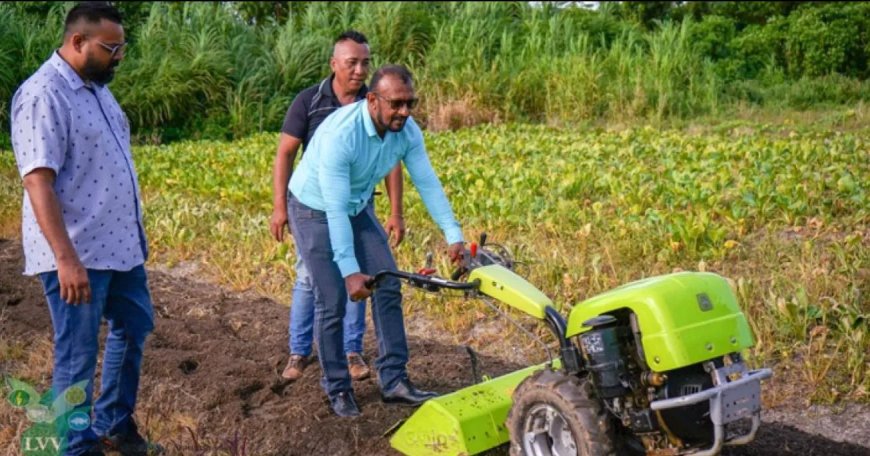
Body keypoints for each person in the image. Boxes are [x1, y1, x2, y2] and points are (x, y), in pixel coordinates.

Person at [9, 2, 160, 455]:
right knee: (77, 353)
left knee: (134, 325)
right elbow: (38, 180)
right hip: (77, 252)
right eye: (111, 48)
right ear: (78, 41)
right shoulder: (43, 94)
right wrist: (65, 259)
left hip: (118, 247)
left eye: (122, 47)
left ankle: (114, 424)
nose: (119, 56)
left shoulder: (96, 89)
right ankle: (74, 446)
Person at [287, 64, 465, 417]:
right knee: (332, 298)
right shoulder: (342, 135)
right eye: (396, 104)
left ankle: (394, 380)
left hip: (356, 204)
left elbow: (427, 182)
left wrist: (453, 235)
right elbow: (335, 208)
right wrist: (350, 270)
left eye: (410, 103)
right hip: (313, 208)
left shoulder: (406, 131)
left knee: (387, 283)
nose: (405, 112)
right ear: (372, 100)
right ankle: (338, 387)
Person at [270, 31, 406, 383]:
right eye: (352, 63)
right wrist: (280, 207)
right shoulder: (309, 101)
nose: (360, 70)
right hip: (315, 207)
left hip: (358, 205)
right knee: (311, 278)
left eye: (365, 63)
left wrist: (396, 212)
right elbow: (285, 153)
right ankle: (299, 351)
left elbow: (392, 161)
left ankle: (351, 350)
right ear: (334, 64)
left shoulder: (375, 101)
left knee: (359, 275)